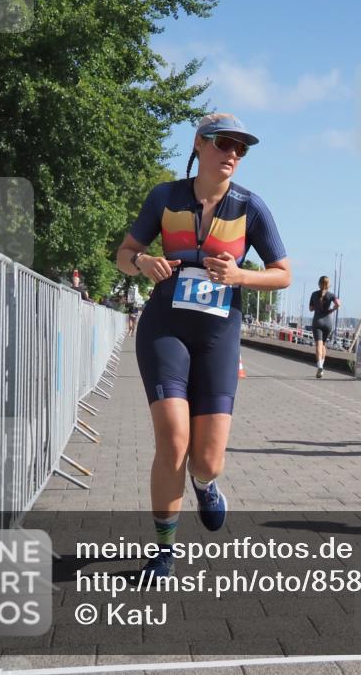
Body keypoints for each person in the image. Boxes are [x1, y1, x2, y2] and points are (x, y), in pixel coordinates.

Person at [116, 113, 290, 580]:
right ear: (200, 144)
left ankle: (206, 486)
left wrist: (240, 276)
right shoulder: (165, 197)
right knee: (173, 441)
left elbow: (283, 272)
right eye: (224, 143)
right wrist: (144, 261)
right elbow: (124, 254)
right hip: (165, 329)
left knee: (207, 458)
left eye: (241, 148)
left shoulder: (250, 207)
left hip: (217, 336)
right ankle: (164, 549)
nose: (232, 153)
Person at [308, 275, 340, 378]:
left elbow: (310, 309)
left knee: (318, 345)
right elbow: (338, 304)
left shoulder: (314, 294)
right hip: (328, 322)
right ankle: (322, 365)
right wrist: (332, 310)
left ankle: (320, 366)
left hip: (317, 321)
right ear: (328, 285)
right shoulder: (331, 295)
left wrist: (317, 306)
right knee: (324, 345)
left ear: (319, 283)